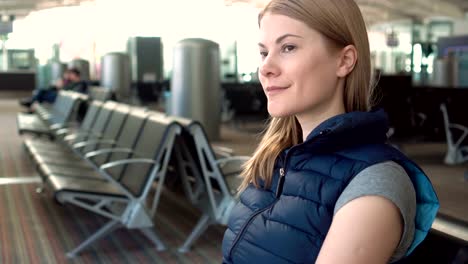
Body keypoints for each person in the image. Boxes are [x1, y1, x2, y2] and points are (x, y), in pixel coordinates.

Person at [221, 0, 439, 263]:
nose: (266, 68)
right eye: (263, 53)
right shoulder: (277, 159)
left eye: (288, 47)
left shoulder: (374, 183)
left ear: (344, 61)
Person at [19, 68, 87, 109]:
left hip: (63, 99)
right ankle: (33, 103)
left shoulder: (80, 83)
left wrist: (61, 88)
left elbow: (72, 93)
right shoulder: (71, 82)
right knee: (42, 90)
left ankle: (33, 103)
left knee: (42, 93)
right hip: (61, 97)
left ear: (75, 75)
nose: (69, 76)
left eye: (71, 74)